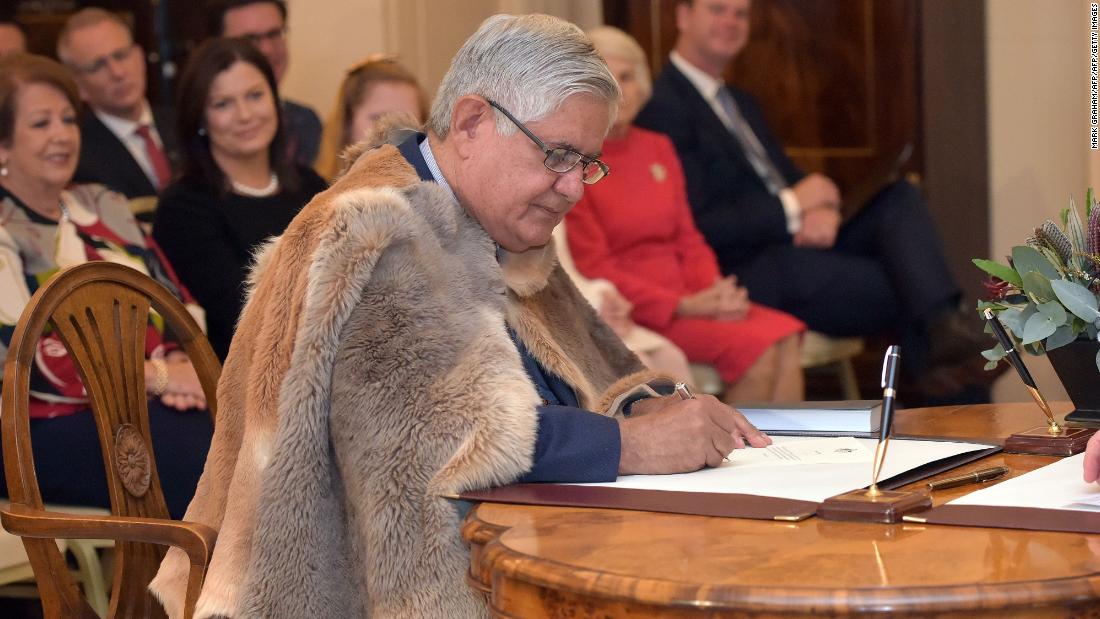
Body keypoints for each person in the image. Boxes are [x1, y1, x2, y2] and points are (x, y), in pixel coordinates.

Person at [151, 14, 770, 617]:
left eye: (587, 163)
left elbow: (589, 365)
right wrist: (631, 444)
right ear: (473, 121)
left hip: (524, 535)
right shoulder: (372, 231)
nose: (575, 187)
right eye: (558, 154)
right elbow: (430, 432)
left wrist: (650, 405)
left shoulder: (497, 222)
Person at [635, 0, 989, 388]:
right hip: (747, 264)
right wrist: (792, 209)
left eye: (741, 13)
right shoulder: (662, 106)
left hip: (795, 242)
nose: (731, 22)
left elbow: (787, 177)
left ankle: (949, 339)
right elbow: (702, 220)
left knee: (898, 199)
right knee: (905, 284)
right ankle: (958, 369)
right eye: (717, 9)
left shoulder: (741, 101)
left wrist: (822, 208)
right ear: (684, 17)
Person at [0, 54, 211, 519]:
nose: (61, 134)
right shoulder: (5, 229)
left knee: (265, 442)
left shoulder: (103, 204)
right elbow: (27, 358)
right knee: (209, 467)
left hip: (146, 407)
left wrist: (180, 364)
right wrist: (156, 379)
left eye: (68, 120)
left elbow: (180, 304)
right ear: (3, 146)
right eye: (40, 123)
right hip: (41, 430)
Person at [568, 26, 804, 403]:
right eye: (607, 79)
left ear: (642, 81)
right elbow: (596, 267)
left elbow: (687, 236)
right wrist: (681, 305)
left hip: (692, 297)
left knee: (788, 333)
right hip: (643, 311)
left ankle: (794, 456)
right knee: (758, 348)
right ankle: (745, 453)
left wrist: (714, 291)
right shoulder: (579, 161)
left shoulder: (658, 147)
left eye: (627, 77)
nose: (620, 90)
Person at [152, 38, 327, 361]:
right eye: (223, 104)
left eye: (255, 95)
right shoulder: (184, 208)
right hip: (242, 384)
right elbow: (243, 314)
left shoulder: (311, 186)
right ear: (201, 119)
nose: (245, 115)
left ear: (275, 100)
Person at [57, 9, 178, 204]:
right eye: (97, 65)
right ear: (77, 85)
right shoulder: (76, 155)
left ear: (140, 57)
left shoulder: (184, 122)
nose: (117, 72)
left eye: (121, 56)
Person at [552, 222, 694, 382]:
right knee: (637, 366)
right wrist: (594, 308)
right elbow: (535, 283)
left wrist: (606, 296)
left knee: (671, 357)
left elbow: (567, 273)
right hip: (555, 320)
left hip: (579, 303)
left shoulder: (557, 209)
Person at [207, 0, 323, 167]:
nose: (267, 50)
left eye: (274, 34)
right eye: (249, 39)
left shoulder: (306, 122)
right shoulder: (191, 135)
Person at [315, 54, 427, 180]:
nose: (398, 133)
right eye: (381, 119)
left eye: (409, 121)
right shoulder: (317, 196)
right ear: (347, 125)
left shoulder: (440, 195)